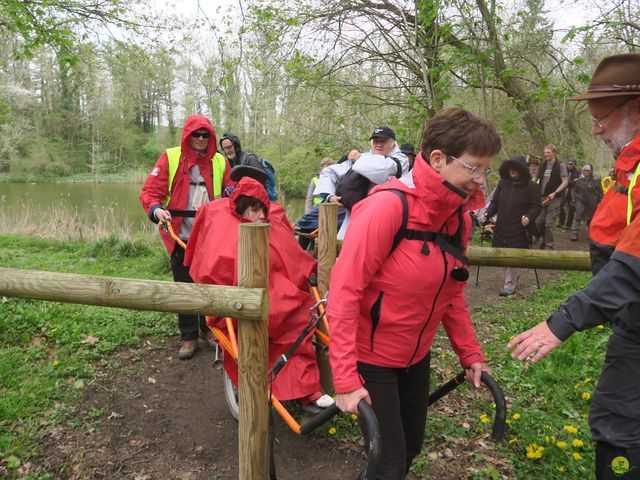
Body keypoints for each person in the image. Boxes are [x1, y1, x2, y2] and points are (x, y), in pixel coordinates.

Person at [327, 107, 499, 479]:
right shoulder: (387, 207)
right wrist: (344, 380)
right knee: (388, 462)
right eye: (473, 167)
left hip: (415, 357)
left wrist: (470, 353)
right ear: (437, 159)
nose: (481, 180)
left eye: (486, 169)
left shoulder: (457, 219)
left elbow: (453, 292)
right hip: (372, 358)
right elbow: (343, 294)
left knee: (410, 449)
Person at [507, 52, 640, 480]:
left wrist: (562, 321)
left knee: (621, 426)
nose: (596, 128)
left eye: (602, 116)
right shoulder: (629, 168)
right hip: (631, 323)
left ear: (636, 107)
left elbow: (633, 267)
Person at [184, 175, 333, 407]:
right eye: (255, 210)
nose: (262, 215)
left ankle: (306, 390)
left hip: (283, 294)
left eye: (264, 209)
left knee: (300, 320)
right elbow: (213, 272)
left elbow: (293, 258)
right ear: (242, 209)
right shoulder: (222, 226)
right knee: (268, 322)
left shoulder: (272, 222)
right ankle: (267, 387)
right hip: (243, 301)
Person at [140, 114, 232, 360]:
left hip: (210, 236)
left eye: (205, 135)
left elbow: (231, 189)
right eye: (196, 135)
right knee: (184, 285)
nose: (201, 139)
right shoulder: (170, 157)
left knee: (210, 283)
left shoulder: (220, 161)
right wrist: (156, 209)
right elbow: (150, 192)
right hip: (178, 233)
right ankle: (189, 336)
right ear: (188, 136)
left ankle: (209, 329)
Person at [318, 126, 409, 239]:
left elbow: (384, 170)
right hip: (351, 219)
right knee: (343, 251)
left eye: (383, 141)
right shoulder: (362, 158)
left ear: (393, 144)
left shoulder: (401, 160)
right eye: (376, 141)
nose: (379, 144)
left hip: (382, 222)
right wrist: (329, 196)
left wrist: (359, 158)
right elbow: (328, 172)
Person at [482, 155, 541, 296]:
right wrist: (487, 214)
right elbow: (495, 202)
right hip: (502, 225)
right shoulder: (503, 184)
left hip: (519, 227)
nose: (512, 172)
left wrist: (529, 217)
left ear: (521, 170)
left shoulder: (531, 186)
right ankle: (513, 276)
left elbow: (536, 206)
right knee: (503, 253)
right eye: (510, 170)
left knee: (513, 254)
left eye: (515, 170)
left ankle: (510, 284)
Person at [534, 144, 568, 250]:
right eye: (545, 153)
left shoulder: (560, 165)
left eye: (548, 152)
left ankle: (549, 246)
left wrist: (555, 192)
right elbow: (535, 177)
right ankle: (544, 239)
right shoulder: (542, 165)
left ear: (554, 153)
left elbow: (565, 181)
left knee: (549, 223)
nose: (546, 154)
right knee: (538, 222)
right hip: (543, 198)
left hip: (555, 198)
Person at [570, 163, 603, 241]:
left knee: (591, 219)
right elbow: (574, 190)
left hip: (592, 202)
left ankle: (592, 235)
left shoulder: (596, 179)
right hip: (580, 201)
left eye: (588, 171)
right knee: (577, 217)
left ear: (591, 171)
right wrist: (574, 199)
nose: (586, 172)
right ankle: (574, 234)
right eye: (584, 170)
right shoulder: (578, 180)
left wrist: (600, 202)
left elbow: (600, 192)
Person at [558, 158, 580, 229]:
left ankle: (568, 225)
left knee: (571, 209)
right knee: (560, 206)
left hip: (572, 192)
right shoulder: (564, 170)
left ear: (574, 165)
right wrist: (570, 182)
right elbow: (562, 180)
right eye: (569, 164)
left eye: (571, 164)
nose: (570, 165)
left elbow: (575, 183)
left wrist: (567, 183)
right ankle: (561, 222)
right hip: (563, 191)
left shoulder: (576, 172)